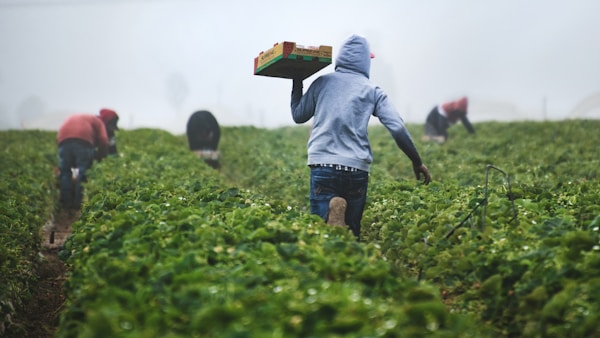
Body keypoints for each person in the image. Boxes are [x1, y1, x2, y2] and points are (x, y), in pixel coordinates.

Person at [290, 34, 431, 240]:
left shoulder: (322, 83)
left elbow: (298, 115)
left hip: (323, 164)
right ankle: (346, 237)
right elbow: (397, 128)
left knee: (319, 235)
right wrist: (416, 161)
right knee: (352, 235)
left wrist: (297, 81)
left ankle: (332, 213)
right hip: (356, 167)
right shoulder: (373, 91)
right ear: (366, 61)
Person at [56, 109, 119, 210]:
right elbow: (104, 141)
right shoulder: (99, 122)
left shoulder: (84, 118)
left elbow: (60, 138)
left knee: (65, 172)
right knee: (83, 171)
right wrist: (101, 156)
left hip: (63, 139)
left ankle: (65, 203)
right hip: (83, 141)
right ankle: (78, 204)